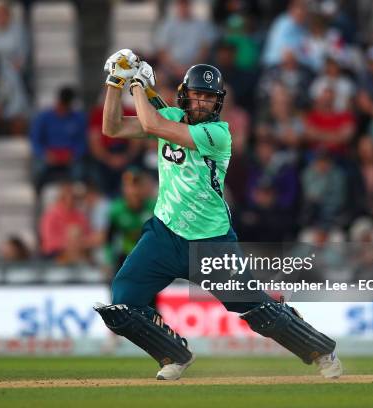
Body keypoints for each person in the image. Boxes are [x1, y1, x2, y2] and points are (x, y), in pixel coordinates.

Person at [95, 49, 342, 381]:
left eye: (209, 97)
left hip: (210, 241)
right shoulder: (169, 114)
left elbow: (153, 123)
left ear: (218, 103)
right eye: (196, 94)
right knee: (122, 303)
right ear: (185, 95)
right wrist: (115, 82)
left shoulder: (218, 134)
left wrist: (137, 82)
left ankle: (322, 350)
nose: (202, 102)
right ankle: (173, 354)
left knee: (257, 310)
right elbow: (111, 129)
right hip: (164, 234)